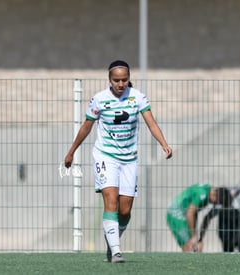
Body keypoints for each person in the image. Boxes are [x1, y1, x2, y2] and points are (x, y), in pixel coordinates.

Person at [64, 60, 172, 263]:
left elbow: (151, 123)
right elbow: (86, 127)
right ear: (109, 80)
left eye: (124, 79)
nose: (121, 84)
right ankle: (115, 252)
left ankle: (111, 241)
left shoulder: (138, 97)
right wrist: (71, 152)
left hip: (129, 159)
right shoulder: (99, 100)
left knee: (125, 210)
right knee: (110, 201)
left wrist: (164, 143)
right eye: (117, 80)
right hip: (106, 156)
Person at [199, 187, 240, 252]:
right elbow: (207, 218)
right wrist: (200, 238)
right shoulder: (219, 206)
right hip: (227, 232)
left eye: (221, 203)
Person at [166, 183, 220, 252]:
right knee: (189, 245)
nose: (215, 203)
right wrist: (194, 235)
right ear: (215, 195)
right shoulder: (203, 195)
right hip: (176, 215)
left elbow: (194, 213)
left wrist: (194, 233)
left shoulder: (207, 190)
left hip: (182, 214)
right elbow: (190, 213)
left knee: (193, 244)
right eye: (217, 202)